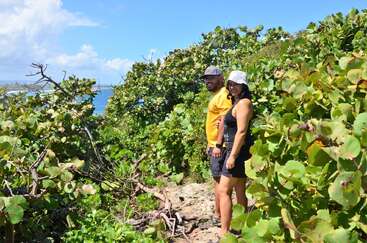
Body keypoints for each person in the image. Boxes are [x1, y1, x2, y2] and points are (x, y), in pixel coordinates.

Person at [202, 66, 246, 225]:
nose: (208, 81)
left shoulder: (223, 96)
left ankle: (220, 217)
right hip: (220, 145)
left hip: (221, 146)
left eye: (211, 78)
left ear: (221, 78)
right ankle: (231, 218)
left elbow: (224, 122)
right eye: (206, 78)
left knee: (221, 184)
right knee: (235, 186)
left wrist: (217, 145)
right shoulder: (220, 95)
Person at [218, 70, 253, 236]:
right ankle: (241, 227)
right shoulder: (237, 103)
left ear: (243, 86)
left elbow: (241, 131)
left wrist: (232, 156)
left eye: (236, 84)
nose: (232, 87)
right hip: (235, 151)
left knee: (223, 190)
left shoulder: (244, 103)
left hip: (237, 152)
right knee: (239, 190)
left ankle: (224, 232)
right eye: (230, 84)